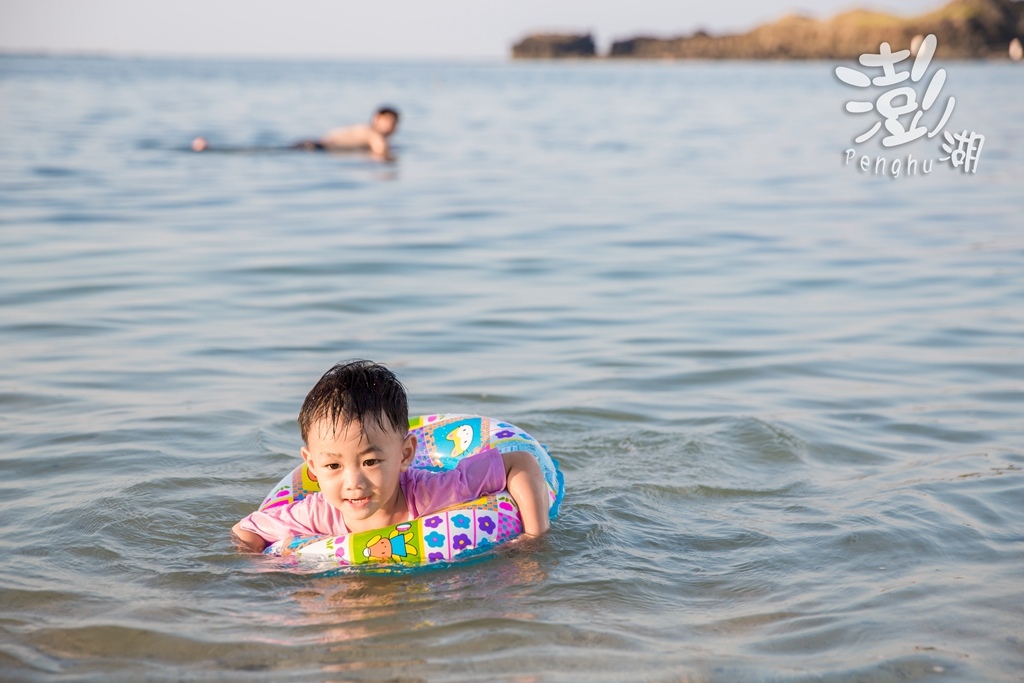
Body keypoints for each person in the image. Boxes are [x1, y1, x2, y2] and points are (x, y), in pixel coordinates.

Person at [231, 360, 550, 553]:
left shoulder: (431, 494)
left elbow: (519, 462)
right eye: (333, 466)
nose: (353, 483)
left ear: (405, 454)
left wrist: (536, 537)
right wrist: (263, 569)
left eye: (370, 461)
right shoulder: (317, 515)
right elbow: (247, 530)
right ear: (312, 465)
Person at [290, 106, 399, 158]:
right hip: (316, 148)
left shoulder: (362, 128)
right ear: (377, 118)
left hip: (310, 145)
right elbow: (380, 152)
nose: (391, 127)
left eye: (394, 123)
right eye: (389, 122)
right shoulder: (374, 134)